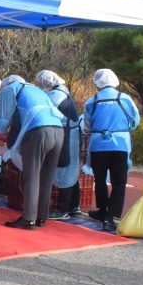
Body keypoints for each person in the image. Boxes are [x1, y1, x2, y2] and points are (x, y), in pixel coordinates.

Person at [0, 75, 64, 230]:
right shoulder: (36, 89)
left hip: (39, 132)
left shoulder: (10, 89)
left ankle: (28, 219)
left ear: (5, 85)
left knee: (32, 175)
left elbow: (3, 122)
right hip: (58, 131)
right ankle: (41, 217)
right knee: (46, 176)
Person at [83, 68, 140, 231]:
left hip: (98, 145)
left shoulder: (91, 101)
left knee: (100, 180)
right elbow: (135, 121)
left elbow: (87, 123)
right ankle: (110, 217)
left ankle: (102, 210)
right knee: (119, 182)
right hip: (120, 145)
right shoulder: (125, 98)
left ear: (97, 82)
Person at [35, 70, 83, 220]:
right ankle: (74, 206)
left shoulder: (56, 95)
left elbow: (43, 112)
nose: (40, 86)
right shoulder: (61, 92)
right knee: (70, 170)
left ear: (47, 83)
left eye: (41, 83)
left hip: (67, 135)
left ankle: (63, 209)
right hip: (69, 133)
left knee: (64, 169)